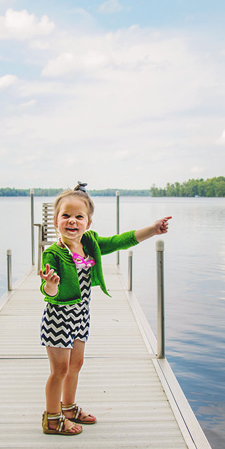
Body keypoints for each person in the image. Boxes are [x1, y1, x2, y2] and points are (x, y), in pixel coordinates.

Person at [39, 182, 171, 435]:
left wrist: (153, 230)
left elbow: (121, 241)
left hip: (80, 317)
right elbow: (47, 292)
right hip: (58, 318)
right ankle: (52, 418)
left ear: (88, 222)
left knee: (76, 365)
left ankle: (68, 408)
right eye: (65, 215)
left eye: (79, 216)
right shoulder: (53, 253)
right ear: (55, 220)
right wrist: (52, 285)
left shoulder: (90, 243)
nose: (72, 221)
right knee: (59, 370)